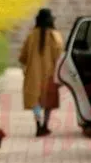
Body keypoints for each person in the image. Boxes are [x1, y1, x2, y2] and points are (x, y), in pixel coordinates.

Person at [18, 8, 64, 137]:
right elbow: (59, 56)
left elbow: (23, 56)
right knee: (48, 100)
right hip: (50, 74)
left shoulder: (31, 35)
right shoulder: (55, 36)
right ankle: (45, 125)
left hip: (34, 75)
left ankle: (38, 125)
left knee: (36, 101)